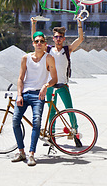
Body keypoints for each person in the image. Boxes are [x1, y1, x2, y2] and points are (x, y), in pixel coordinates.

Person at [31, 17, 83, 147]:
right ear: (53, 39)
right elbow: (35, 39)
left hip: (63, 86)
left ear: (63, 38)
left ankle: (75, 133)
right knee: (51, 112)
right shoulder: (48, 50)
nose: (58, 39)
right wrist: (33, 25)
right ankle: (51, 136)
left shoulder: (67, 50)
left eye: (60, 37)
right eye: (56, 37)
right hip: (50, 86)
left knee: (70, 109)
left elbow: (80, 39)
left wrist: (79, 23)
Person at [12, 31, 57, 166]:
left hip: (39, 95)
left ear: (45, 44)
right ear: (33, 43)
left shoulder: (49, 58)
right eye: (36, 41)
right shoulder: (25, 58)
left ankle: (31, 154)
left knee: (36, 122)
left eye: (41, 41)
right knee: (15, 120)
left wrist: (46, 86)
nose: (39, 43)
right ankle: (21, 152)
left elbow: (55, 78)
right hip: (25, 93)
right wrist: (19, 94)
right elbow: (20, 78)